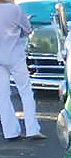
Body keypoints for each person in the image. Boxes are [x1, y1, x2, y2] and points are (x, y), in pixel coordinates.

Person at [0, 0, 45, 141]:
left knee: (3, 96)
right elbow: (27, 29)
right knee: (25, 91)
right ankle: (32, 129)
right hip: (15, 55)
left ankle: (10, 132)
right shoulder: (15, 10)